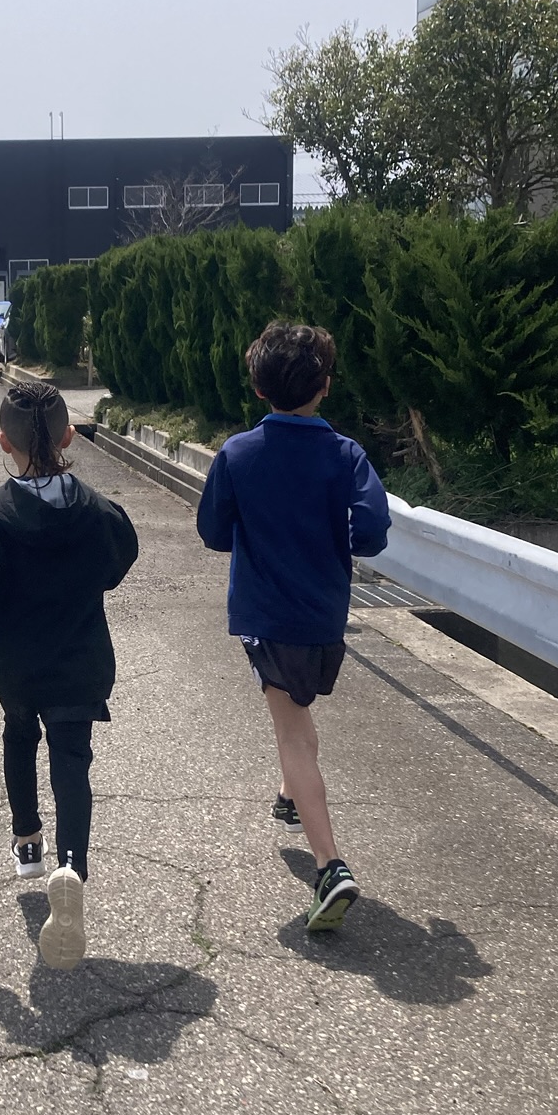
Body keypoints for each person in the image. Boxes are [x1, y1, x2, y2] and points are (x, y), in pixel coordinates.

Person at [0, 380, 139, 971]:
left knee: (19, 734)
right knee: (73, 759)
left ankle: (28, 841)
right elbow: (119, 556)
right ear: (69, 437)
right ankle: (71, 865)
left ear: (4, 442)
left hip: (16, 661)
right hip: (79, 656)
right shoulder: (97, 510)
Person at [196, 320, 390, 932]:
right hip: (325, 615)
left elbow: (211, 532)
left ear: (258, 388)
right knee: (298, 714)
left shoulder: (238, 453)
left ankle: (330, 866)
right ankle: (288, 795)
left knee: (293, 732)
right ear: (325, 386)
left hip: (266, 613)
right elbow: (373, 532)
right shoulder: (346, 455)